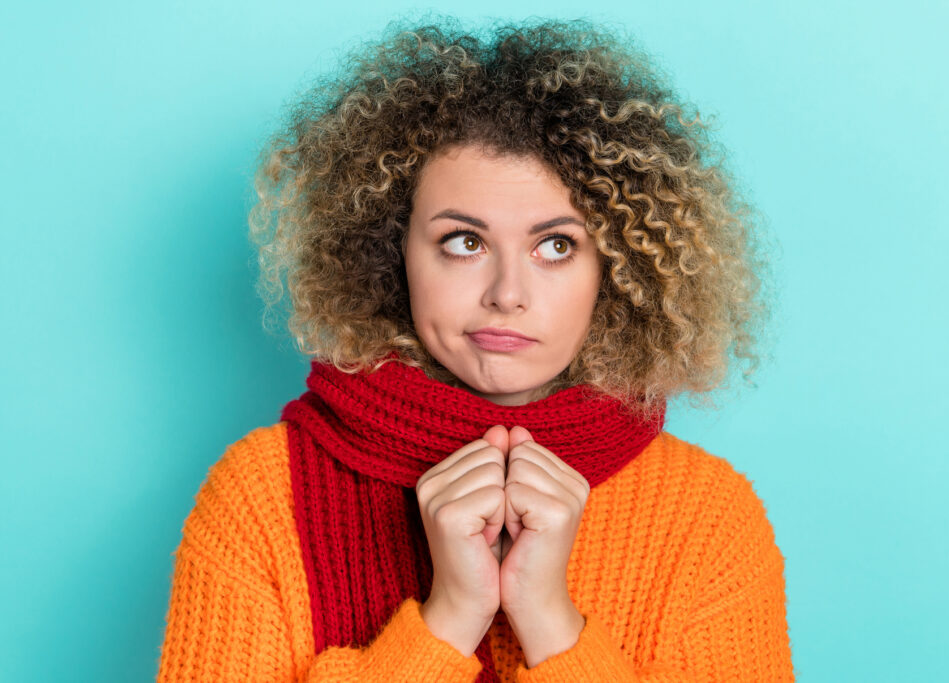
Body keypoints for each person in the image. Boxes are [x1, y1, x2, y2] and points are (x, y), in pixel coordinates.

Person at [156, 14, 793, 682]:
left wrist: (550, 621)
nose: (507, 293)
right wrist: (450, 618)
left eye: (556, 245)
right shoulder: (260, 498)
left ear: (615, 267)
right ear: (390, 249)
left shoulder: (708, 519)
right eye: (465, 241)